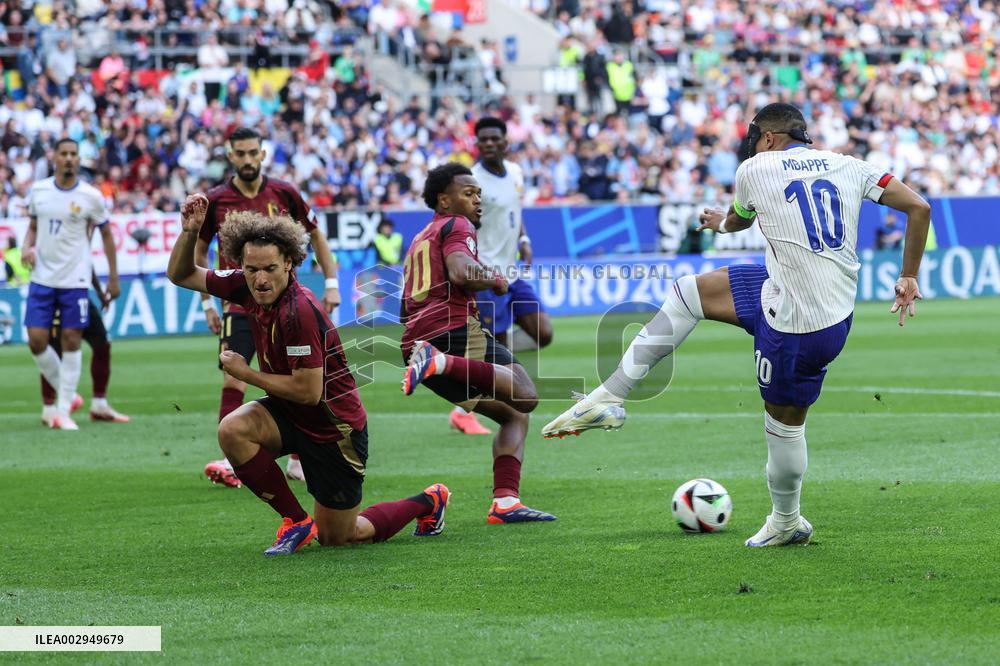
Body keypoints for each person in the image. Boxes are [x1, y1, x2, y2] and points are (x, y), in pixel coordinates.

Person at [542, 103, 930, 547]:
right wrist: (908, 275)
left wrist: (724, 224)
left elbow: (742, 217)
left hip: (797, 326)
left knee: (784, 428)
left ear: (768, 138)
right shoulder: (851, 166)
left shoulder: (755, 168)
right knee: (689, 292)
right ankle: (609, 396)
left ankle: (786, 522)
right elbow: (919, 207)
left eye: (755, 140)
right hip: (820, 306)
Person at [168, 195, 450, 556]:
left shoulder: (299, 311)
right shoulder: (243, 284)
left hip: (334, 428)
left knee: (341, 537)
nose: (260, 279)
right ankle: (296, 521)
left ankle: (429, 501)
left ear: (289, 263)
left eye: (270, 268)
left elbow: (308, 392)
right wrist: (190, 233)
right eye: (251, 269)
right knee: (232, 430)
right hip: (290, 413)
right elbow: (181, 274)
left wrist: (245, 373)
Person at [400, 163, 556, 525]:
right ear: (444, 201)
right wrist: (493, 279)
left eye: (478, 194)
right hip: (453, 331)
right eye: (468, 193)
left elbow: (404, 306)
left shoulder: (421, 237)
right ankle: (439, 361)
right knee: (526, 396)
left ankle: (505, 502)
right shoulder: (458, 225)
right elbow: (461, 272)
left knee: (513, 414)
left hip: (416, 342)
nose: (477, 201)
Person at [194, 127, 342, 488]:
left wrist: (332, 283)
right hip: (239, 302)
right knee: (232, 374)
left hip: (285, 305)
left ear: (262, 154)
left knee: (298, 377)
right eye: (240, 153)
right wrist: (206, 303)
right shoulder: (216, 200)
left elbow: (315, 235)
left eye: (252, 152)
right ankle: (231, 457)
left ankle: (298, 457)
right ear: (231, 156)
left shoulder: (285, 192)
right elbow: (198, 251)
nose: (247, 159)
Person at [446, 117, 554, 436]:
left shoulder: (516, 172)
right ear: (477, 144)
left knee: (543, 332)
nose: (490, 144)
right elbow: (461, 225)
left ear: (506, 142)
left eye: (495, 138)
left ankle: (480, 360)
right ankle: (464, 411)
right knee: (499, 353)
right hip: (487, 276)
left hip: (512, 272)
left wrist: (524, 239)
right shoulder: (471, 180)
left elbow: (514, 212)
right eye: (484, 139)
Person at [22, 138, 121, 430]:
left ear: (78, 159)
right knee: (36, 340)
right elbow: (33, 227)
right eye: (63, 153)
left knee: (72, 339)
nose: (68, 158)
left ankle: (62, 410)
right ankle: (68, 394)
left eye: (73, 154)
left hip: (74, 280)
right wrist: (27, 247)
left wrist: (113, 278)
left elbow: (106, 235)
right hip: (42, 277)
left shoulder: (91, 196)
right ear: (54, 157)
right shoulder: (39, 191)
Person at [40, 269, 130, 426]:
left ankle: (99, 405)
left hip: (80, 295)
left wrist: (99, 290)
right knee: (54, 351)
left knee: (102, 344)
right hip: (57, 295)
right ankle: (49, 408)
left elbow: (86, 261)